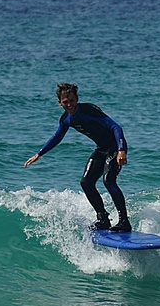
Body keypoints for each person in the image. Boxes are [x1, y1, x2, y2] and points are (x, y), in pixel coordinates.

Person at [24, 83, 131, 232]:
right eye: (65, 102)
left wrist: (121, 150)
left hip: (114, 147)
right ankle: (103, 219)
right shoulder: (65, 119)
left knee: (109, 181)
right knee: (86, 182)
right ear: (60, 103)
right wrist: (39, 154)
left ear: (77, 99)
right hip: (101, 150)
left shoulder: (89, 110)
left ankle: (124, 222)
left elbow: (115, 127)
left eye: (72, 100)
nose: (69, 105)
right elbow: (57, 137)